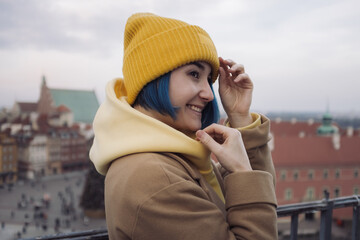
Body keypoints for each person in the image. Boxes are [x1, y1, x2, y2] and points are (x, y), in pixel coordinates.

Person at [90, 12, 277, 240]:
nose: (209, 93)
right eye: (194, 74)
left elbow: (256, 200)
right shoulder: (155, 180)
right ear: (155, 77)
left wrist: (240, 118)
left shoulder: (172, 158)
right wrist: (240, 171)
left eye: (209, 79)